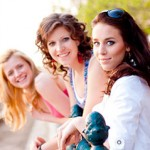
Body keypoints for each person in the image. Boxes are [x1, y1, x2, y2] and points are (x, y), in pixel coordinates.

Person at [57, 8, 150, 150]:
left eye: (110, 42)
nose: (101, 51)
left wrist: (78, 123)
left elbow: (118, 146)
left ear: (128, 45)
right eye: (96, 43)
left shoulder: (129, 84)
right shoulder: (117, 80)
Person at [32, 13, 107, 149]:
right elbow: (74, 120)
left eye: (65, 39)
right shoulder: (68, 73)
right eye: (52, 43)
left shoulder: (94, 64)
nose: (60, 48)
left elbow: (85, 125)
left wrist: (43, 148)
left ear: (77, 39)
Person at [0, 49, 70, 131]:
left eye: (20, 66)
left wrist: (43, 116)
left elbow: (76, 120)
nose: (17, 74)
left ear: (29, 64)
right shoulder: (29, 96)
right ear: (7, 80)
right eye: (10, 73)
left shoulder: (41, 81)